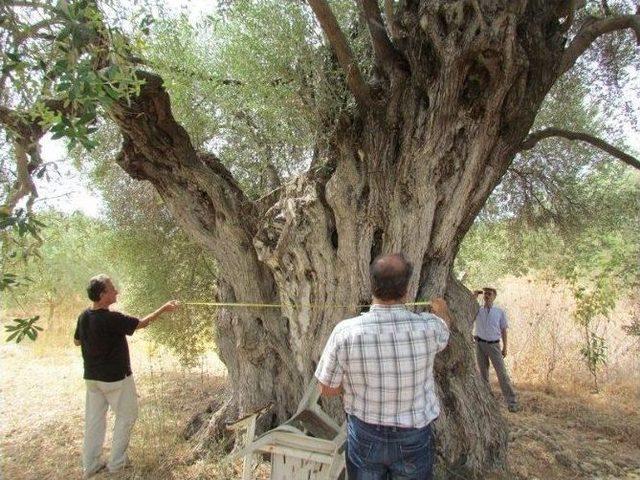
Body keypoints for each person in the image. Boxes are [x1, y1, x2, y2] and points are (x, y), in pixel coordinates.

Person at [315, 253, 451, 480]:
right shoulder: (428, 329)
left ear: (372, 285)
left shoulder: (346, 332)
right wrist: (441, 308)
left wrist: (356, 385)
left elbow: (326, 389)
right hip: (414, 437)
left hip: (364, 436)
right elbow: (445, 326)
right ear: (407, 290)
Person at [74, 274, 178, 479]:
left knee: (94, 420)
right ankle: (116, 463)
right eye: (112, 288)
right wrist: (164, 308)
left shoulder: (84, 316)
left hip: (92, 378)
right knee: (127, 416)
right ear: (103, 295)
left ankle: (90, 465)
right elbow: (142, 324)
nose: (116, 291)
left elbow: (77, 341)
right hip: (116, 379)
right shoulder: (112, 318)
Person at [472, 287, 519, 412]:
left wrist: (505, 347)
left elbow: (504, 330)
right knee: (483, 374)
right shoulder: (477, 310)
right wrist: (474, 297)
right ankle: (487, 400)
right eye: (485, 294)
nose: (487, 296)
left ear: (494, 296)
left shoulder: (499, 312)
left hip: (494, 345)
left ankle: (512, 402)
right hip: (479, 344)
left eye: (489, 294)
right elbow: (467, 310)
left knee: (502, 374)